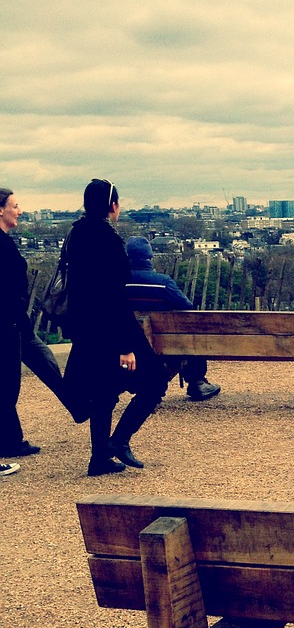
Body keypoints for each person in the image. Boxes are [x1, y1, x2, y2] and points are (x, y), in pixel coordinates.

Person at [62, 180, 170, 476]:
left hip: (87, 329)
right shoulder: (107, 239)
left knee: (104, 391)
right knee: (155, 381)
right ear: (112, 206)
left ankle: (99, 459)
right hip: (112, 327)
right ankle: (119, 440)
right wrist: (126, 346)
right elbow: (112, 294)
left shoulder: (75, 232)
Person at [0, 187, 83, 460]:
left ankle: (77, 406)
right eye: (15, 206)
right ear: (0, 210)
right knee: (8, 385)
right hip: (8, 324)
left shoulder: (5, 241)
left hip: (16, 322)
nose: (19, 211)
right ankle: (10, 441)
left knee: (45, 359)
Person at [125, 237, 221, 401]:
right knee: (190, 331)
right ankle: (196, 381)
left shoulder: (116, 283)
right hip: (166, 345)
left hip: (129, 345)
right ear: (150, 257)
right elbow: (187, 308)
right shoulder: (162, 283)